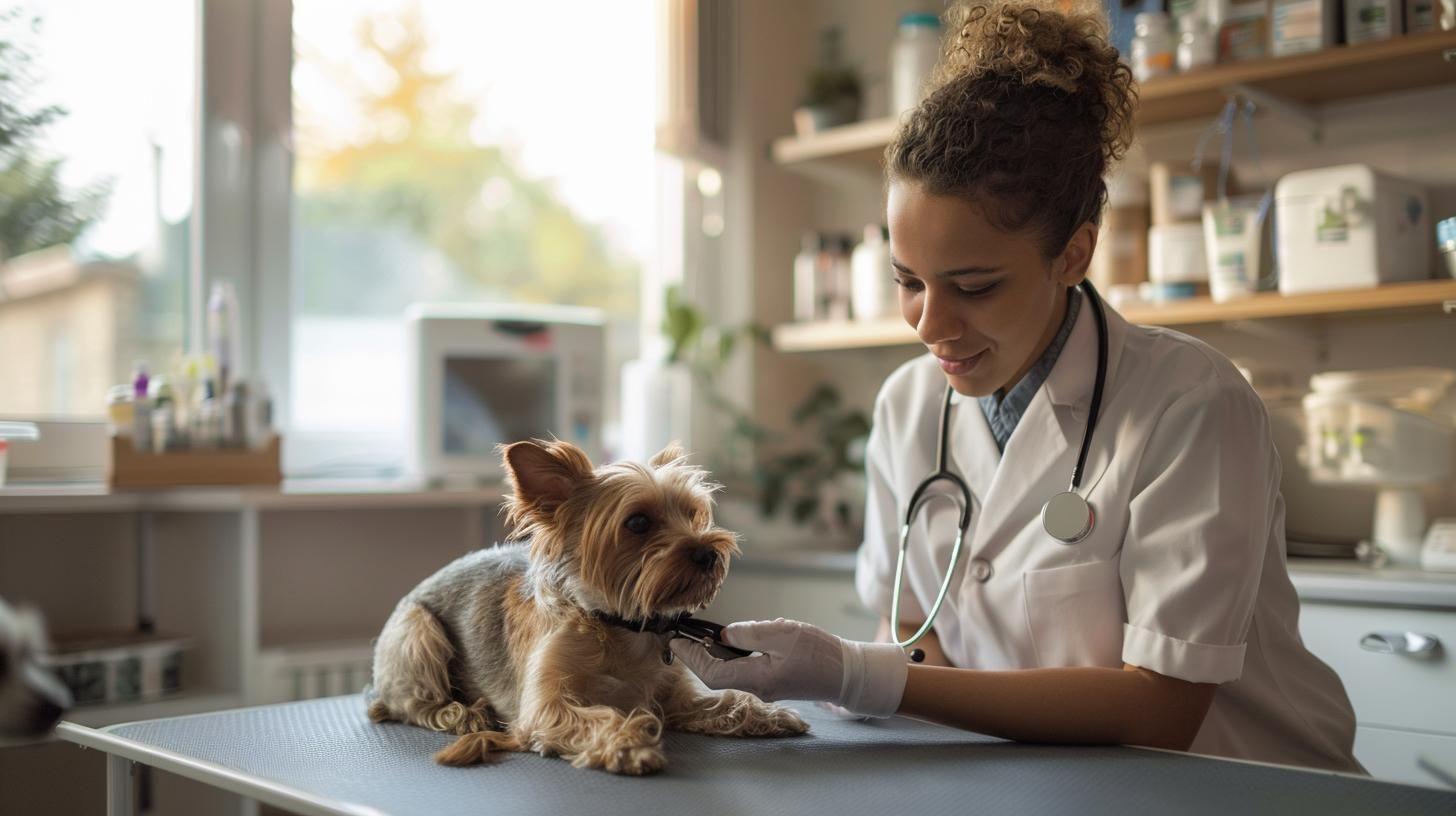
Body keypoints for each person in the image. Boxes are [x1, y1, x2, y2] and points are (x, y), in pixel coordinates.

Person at [671, 0, 1361, 773]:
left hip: (1248, 787)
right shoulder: (909, 406)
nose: (930, 324)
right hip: (1039, 782)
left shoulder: (1192, 404)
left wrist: (854, 673)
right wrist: (884, 668)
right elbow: (916, 632)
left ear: (1073, 254)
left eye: (974, 285)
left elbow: (1163, 708)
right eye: (909, 281)